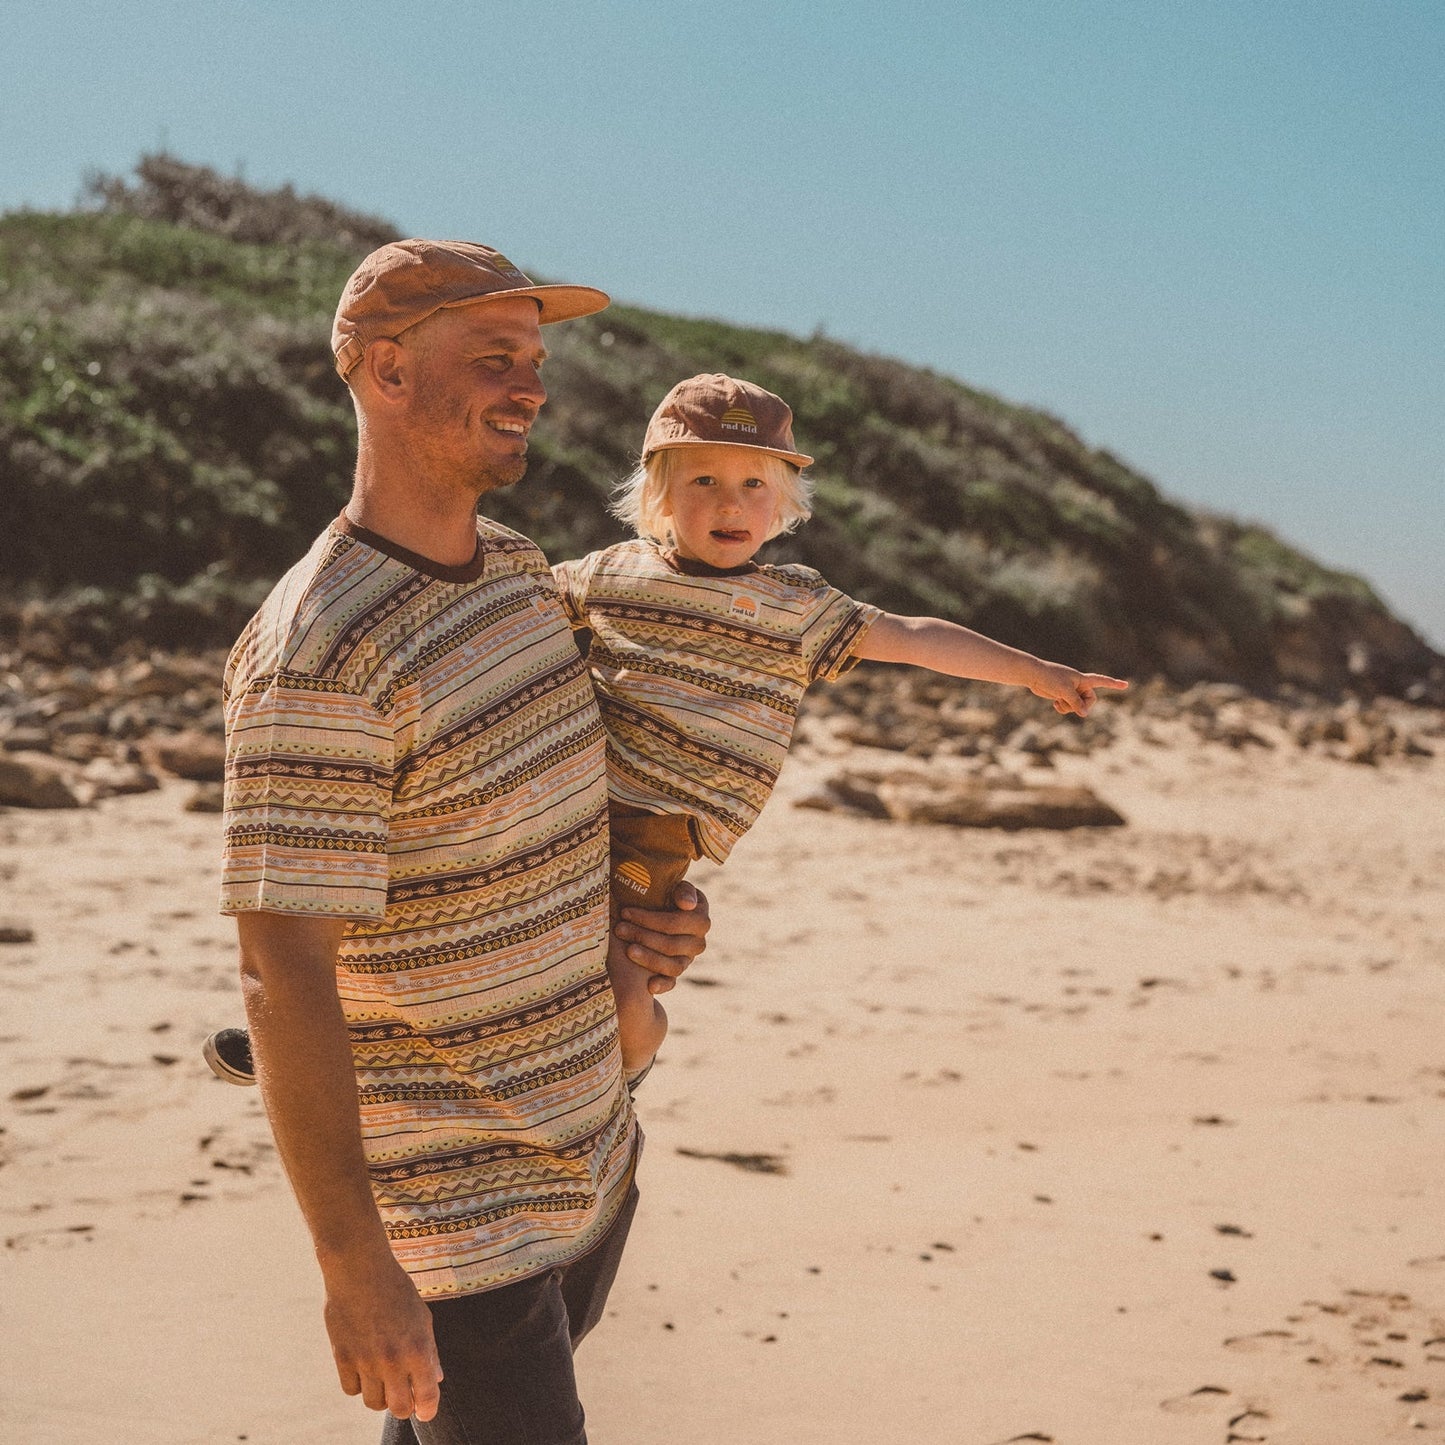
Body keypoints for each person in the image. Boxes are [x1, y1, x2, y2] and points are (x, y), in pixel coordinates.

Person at [216, 239, 710, 1444]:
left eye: (533, 360)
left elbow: (556, 813)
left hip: (587, 1142)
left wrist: (647, 913)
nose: (529, 387)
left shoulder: (518, 572)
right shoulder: (315, 655)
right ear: (385, 370)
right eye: (493, 357)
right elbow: (282, 974)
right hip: (455, 1207)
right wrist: (354, 1265)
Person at [549, 372, 1128, 1080]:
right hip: (572, 800)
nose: (729, 502)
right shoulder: (612, 573)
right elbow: (516, 602)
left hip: (658, 826)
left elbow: (914, 637)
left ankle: (628, 1072)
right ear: (658, 495)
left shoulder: (797, 606)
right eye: (702, 480)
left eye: (753, 486)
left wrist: (1033, 671)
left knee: (622, 977)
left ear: (783, 504)